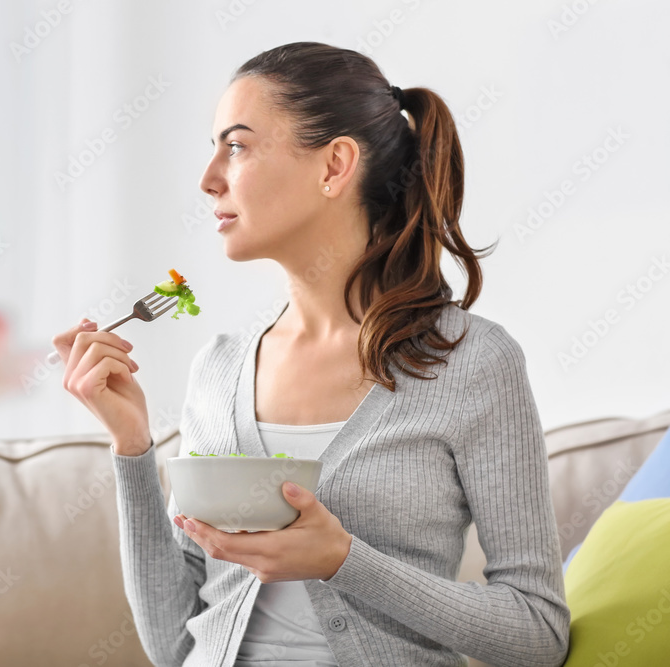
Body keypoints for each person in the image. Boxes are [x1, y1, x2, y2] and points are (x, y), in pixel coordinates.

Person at [52, 41, 570, 667]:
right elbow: (175, 646)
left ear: (334, 166)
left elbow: (537, 634)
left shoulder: (472, 363)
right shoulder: (216, 371)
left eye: (236, 145)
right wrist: (132, 446)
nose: (208, 177)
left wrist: (344, 562)